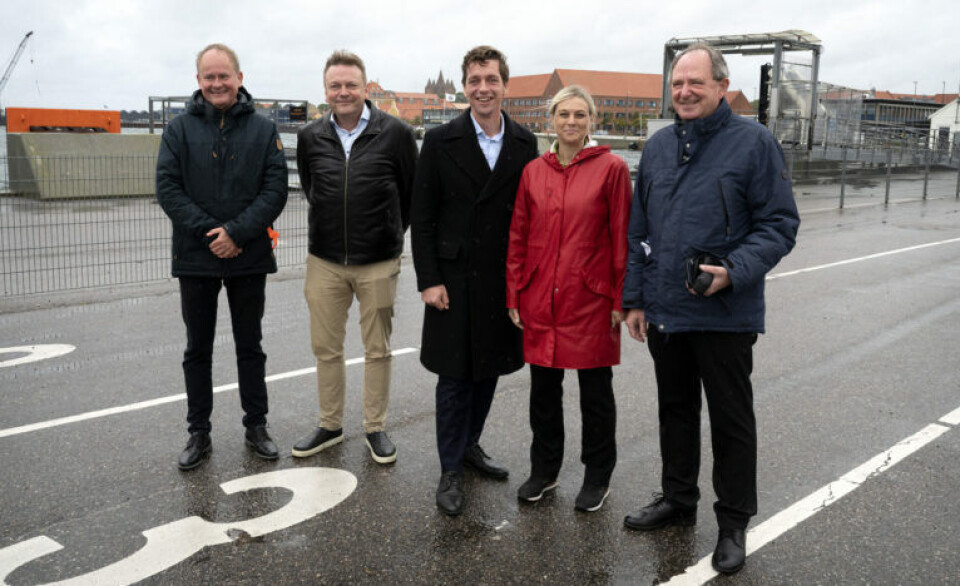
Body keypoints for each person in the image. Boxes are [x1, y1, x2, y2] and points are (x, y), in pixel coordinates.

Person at [621, 43, 800, 574]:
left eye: (695, 83)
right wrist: (634, 298)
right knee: (674, 412)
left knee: (730, 420)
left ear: (722, 86)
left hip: (725, 312)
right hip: (666, 311)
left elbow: (780, 225)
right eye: (678, 84)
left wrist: (735, 270)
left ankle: (733, 522)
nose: (685, 92)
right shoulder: (656, 148)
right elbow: (639, 230)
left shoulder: (754, 143)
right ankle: (678, 500)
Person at [411, 45, 539, 516]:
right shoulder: (440, 140)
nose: (482, 88)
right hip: (453, 278)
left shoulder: (525, 143)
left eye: (491, 79)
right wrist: (429, 279)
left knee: (487, 369)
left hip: (501, 279)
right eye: (474, 80)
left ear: (505, 84)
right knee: (454, 376)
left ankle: (470, 445)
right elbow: (421, 217)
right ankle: (449, 468)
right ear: (464, 87)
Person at [156, 43, 288, 470]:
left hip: (248, 255)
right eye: (208, 77)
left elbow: (275, 191)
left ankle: (256, 425)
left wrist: (236, 233)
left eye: (223, 76)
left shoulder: (265, 131)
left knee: (250, 346)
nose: (217, 83)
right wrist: (211, 234)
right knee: (198, 349)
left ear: (239, 78)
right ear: (198, 81)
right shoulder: (178, 130)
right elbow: (168, 189)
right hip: (196, 257)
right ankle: (199, 433)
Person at [505, 85, 631, 513]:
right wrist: (514, 293)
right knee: (543, 393)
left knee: (596, 394)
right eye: (564, 114)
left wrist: (621, 297)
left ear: (591, 121)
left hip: (591, 298)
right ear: (551, 120)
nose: (572, 122)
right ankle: (544, 470)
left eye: (580, 115)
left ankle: (598, 476)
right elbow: (518, 236)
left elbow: (621, 238)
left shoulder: (611, 170)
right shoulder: (533, 172)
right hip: (541, 296)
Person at [292, 50, 418, 465]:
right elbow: (313, 188)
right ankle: (330, 424)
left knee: (376, 349)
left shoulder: (396, 133)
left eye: (351, 85)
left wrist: (386, 233)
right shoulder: (310, 136)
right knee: (325, 348)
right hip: (325, 260)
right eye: (335, 85)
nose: (343, 92)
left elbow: (410, 193)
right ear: (325, 90)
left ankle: (375, 427)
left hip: (378, 260)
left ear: (365, 88)